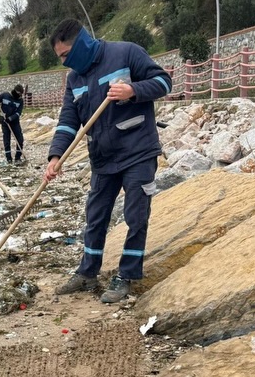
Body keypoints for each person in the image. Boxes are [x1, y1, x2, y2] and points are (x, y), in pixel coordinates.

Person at [44, 19, 172, 303]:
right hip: (103, 158)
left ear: (80, 44)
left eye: (66, 55)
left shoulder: (126, 53)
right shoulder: (75, 79)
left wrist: (133, 90)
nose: (65, 62)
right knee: (96, 216)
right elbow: (68, 121)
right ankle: (87, 273)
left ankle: (126, 276)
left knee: (135, 217)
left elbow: (164, 81)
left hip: (138, 151)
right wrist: (56, 156)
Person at [0, 84, 26, 164]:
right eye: (19, 93)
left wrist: (10, 119)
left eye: (21, 94)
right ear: (15, 91)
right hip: (4, 122)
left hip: (15, 123)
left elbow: (18, 113)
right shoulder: (5, 95)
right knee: (7, 140)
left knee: (20, 139)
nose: (20, 95)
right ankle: (9, 159)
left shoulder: (20, 101)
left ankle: (18, 157)